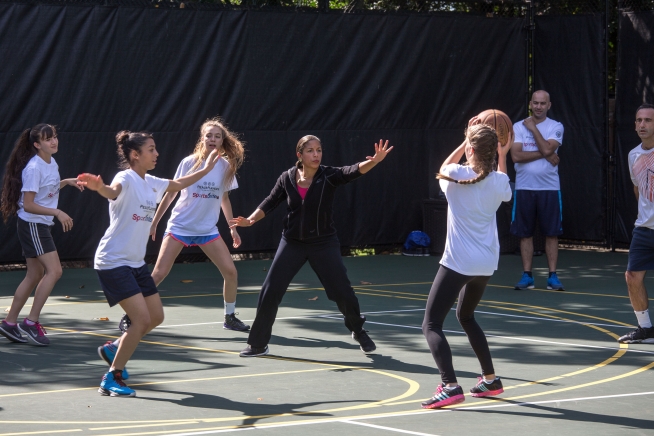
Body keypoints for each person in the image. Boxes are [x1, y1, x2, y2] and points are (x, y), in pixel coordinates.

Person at [78, 131, 220, 397]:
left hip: (135, 263)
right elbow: (112, 191)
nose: (157, 154)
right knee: (141, 320)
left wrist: (207, 169)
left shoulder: (151, 182)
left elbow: (179, 184)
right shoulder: (125, 178)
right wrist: (99, 187)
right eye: (151, 149)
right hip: (113, 261)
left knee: (156, 317)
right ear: (135, 155)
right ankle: (111, 378)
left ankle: (114, 348)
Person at [229, 136, 393, 357]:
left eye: (319, 150)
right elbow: (270, 201)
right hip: (292, 243)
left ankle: (358, 330)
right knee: (270, 290)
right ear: (300, 155)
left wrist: (375, 161)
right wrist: (250, 220)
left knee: (342, 292)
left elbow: (353, 171)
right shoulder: (287, 178)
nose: (316, 155)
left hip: (323, 243)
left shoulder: (329, 176)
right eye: (310, 151)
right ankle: (258, 344)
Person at [421, 120, 512, 409]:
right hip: (485, 264)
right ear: (494, 151)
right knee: (466, 316)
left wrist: (464, 142)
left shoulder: (454, 174)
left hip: (459, 262)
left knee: (431, 324)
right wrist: (502, 154)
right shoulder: (499, 181)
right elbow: (503, 185)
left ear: (470, 149)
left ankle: (449, 385)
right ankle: (490, 379)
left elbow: (443, 167)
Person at [146, 118, 248, 331]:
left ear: (222, 141)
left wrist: (233, 228)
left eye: (217, 136)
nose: (213, 139)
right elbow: (171, 192)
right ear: (202, 138)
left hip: (207, 230)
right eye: (209, 135)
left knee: (231, 272)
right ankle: (131, 315)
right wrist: (155, 221)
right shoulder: (188, 163)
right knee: (159, 274)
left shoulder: (226, 167)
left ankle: (230, 317)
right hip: (179, 227)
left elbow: (224, 198)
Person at [0, 124, 82, 346]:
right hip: (33, 225)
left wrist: (66, 182)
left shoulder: (51, 162)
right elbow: (28, 204)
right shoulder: (34, 168)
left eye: (54, 137)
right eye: (47, 139)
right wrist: (57, 212)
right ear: (37, 144)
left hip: (39, 225)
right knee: (54, 271)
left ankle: (9, 323)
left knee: (34, 275)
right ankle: (31, 322)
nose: (53, 141)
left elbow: (46, 192)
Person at [510, 90, 565, 291]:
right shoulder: (517, 126)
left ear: (549, 105)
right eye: (535, 103)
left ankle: (552, 276)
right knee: (525, 234)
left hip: (550, 188)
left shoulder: (556, 126)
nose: (539, 106)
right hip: (524, 188)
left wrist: (533, 129)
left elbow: (550, 149)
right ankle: (527, 276)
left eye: (543, 103)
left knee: (552, 234)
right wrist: (545, 153)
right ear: (530, 104)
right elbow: (516, 156)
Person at [620, 103, 654, 344]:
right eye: (639, 120)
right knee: (632, 276)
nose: (643, 125)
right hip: (643, 229)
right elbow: (637, 189)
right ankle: (646, 329)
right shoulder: (633, 155)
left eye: (648, 120)